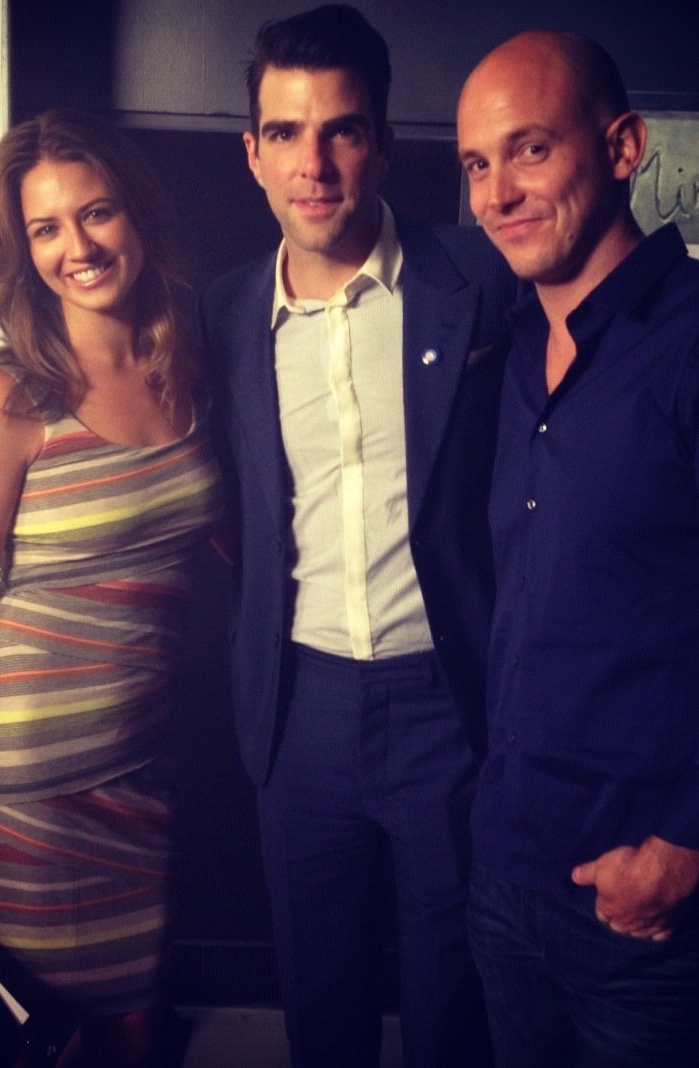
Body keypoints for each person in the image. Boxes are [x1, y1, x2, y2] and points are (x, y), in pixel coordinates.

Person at [455, 30, 699, 1067]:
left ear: (623, 147)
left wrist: (683, 849)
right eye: (476, 164)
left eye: (529, 150)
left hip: (657, 909)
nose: (497, 192)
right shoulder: (508, 365)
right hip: (508, 879)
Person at [200, 6, 513, 1066]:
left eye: (341, 129)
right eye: (284, 133)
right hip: (300, 708)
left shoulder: (481, 283)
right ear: (252, 153)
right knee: (319, 1003)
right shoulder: (224, 315)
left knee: (451, 1005)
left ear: (381, 140)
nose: (314, 162)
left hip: (449, 705)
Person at [0, 108, 223, 1067]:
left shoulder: (187, 367)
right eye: (46, 228)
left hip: (142, 776)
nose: (78, 246)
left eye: (97, 213)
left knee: (140, 1038)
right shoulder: (6, 398)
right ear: (22, 249)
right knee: (54, 1050)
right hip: (27, 795)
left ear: (137, 215)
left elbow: (230, 541)